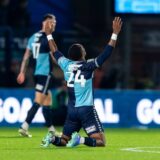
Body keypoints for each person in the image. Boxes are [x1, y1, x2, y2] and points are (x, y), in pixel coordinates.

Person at [42, 17, 122, 147]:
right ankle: (81, 140)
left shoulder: (65, 64)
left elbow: (55, 50)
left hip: (72, 110)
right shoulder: (89, 66)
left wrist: (49, 34)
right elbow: (106, 53)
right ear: (82, 53)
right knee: (101, 141)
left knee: (63, 140)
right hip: (86, 110)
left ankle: (52, 139)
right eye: (83, 48)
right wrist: (115, 33)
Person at [17, 13, 58, 137]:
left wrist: (22, 72)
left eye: (54, 23)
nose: (54, 25)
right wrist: (66, 66)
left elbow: (26, 56)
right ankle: (24, 126)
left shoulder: (33, 37)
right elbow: (54, 56)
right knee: (38, 101)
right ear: (45, 23)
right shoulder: (47, 38)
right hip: (45, 74)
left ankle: (51, 129)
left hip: (36, 74)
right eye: (52, 22)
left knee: (48, 99)